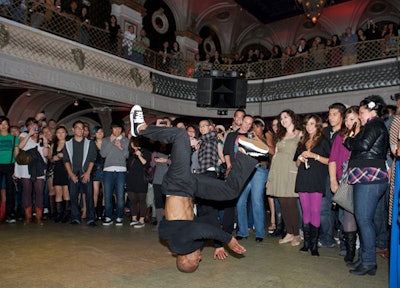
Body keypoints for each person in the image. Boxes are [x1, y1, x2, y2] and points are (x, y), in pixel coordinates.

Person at [129, 105, 261, 273]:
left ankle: (140, 128)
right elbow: (209, 223)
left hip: (176, 185)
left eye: (197, 261)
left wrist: (227, 239)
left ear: (188, 260)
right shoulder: (191, 241)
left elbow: (199, 229)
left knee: (181, 135)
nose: (200, 257)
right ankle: (245, 153)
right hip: (190, 188)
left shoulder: (178, 242)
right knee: (230, 192)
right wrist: (218, 245)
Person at [344, 95, 389, 276]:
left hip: (370, 177)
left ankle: (369, 261)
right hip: (367, 177)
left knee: (363, 220)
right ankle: (365, 259)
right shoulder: (373, 125)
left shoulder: (374, 125)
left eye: (361, 112)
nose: (360, 116)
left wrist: (348, 140)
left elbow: (362, 145)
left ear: (372, 111)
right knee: (364, 220)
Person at [295, 114, 330, 256]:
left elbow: (330, 161)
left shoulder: (324, 141)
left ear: (318, 125)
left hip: (317, 178)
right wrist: (300, 158)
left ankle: (314, 245)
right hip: (303, 177)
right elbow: (296, 164)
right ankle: (307, 243)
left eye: (312, 124)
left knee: (316, 210)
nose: (309, 127)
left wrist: (314, 156)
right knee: (305, 211)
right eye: (307, 124)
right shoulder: (302, 141)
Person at [329, 106, 361, 264]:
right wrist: (333, 181)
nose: (349, 123)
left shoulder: (364, 136)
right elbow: (332, 160)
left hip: (362, 180)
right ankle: (349, 250)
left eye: (352, 119)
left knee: (363, 217)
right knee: (347, 216)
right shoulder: (340, 136)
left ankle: (363, 249)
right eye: (347, 119)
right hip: (345, 181)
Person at [267, 109, 302, 246]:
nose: (283, 120)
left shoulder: (300, 134)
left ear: (292, 118)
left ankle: (297, 234)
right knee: (282, 203)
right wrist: (271, 176)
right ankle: (289, 232)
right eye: (281, 118)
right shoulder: (280, 136)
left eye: (285, 117)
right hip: (278, 171)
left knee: (291, 203)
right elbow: (275, 156)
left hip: (292, 171)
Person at [235, 117, 270, 242]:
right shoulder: (247, 138)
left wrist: (258, 139)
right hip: (246, 170)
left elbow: (269, 151)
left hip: (259, 171)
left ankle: (259, 233)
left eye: (257, 126)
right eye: (253, 126)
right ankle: (242, 231)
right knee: (240, 201)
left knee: (257, 201)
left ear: (262, 128)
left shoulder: (266, 138)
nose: (255, 129)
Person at [15, 117, 49, 225]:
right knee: (27, 192)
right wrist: (29, 134)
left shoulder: (41, 137)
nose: (33, 126)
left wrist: (45, 141)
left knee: (39, 192)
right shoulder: (24, 135)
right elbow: (20, 146)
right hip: (26, 168)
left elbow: (46, 154)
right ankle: (28, 216)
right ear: (27, 127)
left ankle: (39, 217)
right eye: (30, 125)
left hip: (39, 168)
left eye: (35, 124)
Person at [63, 120, 97, 226]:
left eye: (82, 128)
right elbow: (66, 160)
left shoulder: (89, 142)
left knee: (89, 196)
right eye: (77, 128)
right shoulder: (68, 144)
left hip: (85, 172)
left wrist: (87, 173)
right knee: (73, 196)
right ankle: (75, 218)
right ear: (73, 130)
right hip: (73, 173)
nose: (80, 130)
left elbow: (92, 159)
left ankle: (91, 218)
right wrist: (71, 174)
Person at [100, 121, 130, 226]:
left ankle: (119, 216)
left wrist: (121, 147)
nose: (116, 131)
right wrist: (110, 142)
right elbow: (103, 154)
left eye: (118, 129)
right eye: (114, 129)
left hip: (121, 170)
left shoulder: (126, 141)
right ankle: (108, 217)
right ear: (111, 130)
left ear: (121, 130)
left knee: (120, 196)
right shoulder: (105, 140)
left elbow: (127, 155)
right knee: (107, 195)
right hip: (108, 170)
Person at [126, 136, 151, 228]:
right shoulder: (130, 154)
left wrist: (140, 155)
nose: (133, 144)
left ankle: (141, 220)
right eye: (132, 142)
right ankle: (134, 218)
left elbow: (146, 164)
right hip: (131, 179)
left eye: (135, 142)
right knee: (132, 200)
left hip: (141, 179)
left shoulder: (146, 152)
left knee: (141, 200)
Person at [0, 116, 19, 223]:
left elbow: (16, 155)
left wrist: (17, 168)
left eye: (5, 124)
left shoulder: (14, 138)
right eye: (1, 124)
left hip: (10, 165)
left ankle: (9, 214)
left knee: (10, 191)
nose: (3, 126)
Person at [50, 125, 70, 223]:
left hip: (67, 169)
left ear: (66, 134)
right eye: (58, 132)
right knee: (58, 192)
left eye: (63, 132)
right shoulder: (54, 144)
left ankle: (66, 214)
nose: (60, 134)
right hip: (57, 169)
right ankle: (59, 213)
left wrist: (64, 155)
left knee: (66, 192)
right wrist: (53, 159)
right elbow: (49, 157)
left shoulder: (69, 143)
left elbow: (74, 157)